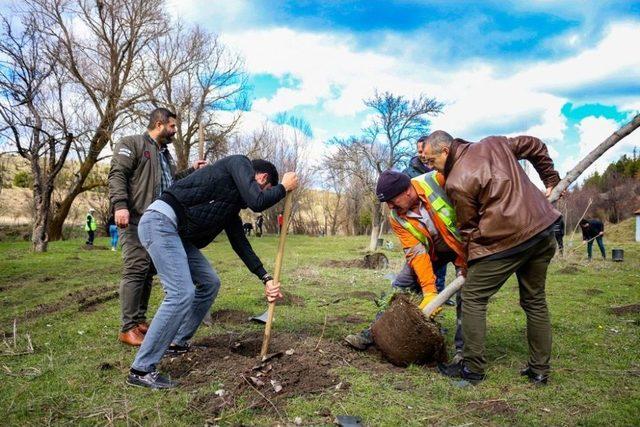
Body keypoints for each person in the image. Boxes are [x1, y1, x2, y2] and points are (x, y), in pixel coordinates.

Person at [126, 156, 298, 389]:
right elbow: (257, 201)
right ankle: (141, 369)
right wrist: (283, 188)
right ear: (262, 178)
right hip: (161, 222)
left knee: (209, 282)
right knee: (181, 293)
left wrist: (266, 278)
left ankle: (178, 342)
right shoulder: (239, 162)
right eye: (267, 188)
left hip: (176, 234)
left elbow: (241, 244)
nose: (263, 192)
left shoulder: (230, 205)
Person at [422, 130, 560, 385]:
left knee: (473, 297)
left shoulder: (456, 181)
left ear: (445, 151)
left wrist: (467, 263)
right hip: (543, 229)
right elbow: (535, 145)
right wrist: (551, 180)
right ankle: (539, 371)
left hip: (507, 240)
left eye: (431, 160)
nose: (430, 166)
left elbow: (469, 229)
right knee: (535, 301)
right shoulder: (495, 143)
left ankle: (472, 369)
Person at [109, 108, 206, 347]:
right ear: (160, 124)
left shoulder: (165, 155)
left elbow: (171, 183)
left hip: (158, 222)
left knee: (148, 269)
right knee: (136, 266)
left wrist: (192, 170)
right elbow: (117, 174)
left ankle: (139, 320)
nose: (175, 131)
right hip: (134, 217)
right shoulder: (132, 144)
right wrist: (120, 205)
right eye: (172, 127)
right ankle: (128, 327)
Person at [344, 170, 466, 360]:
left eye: (392, 200)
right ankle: (376, 331)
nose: (390, 206)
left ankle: (463, 351)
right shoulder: (396, 216)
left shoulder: (437, 180)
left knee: (467, 295)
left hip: (462, 245)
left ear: (408, 191)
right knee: (401, 285)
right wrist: (429, 291)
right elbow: (416, 253)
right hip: (431, 251)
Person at [400, 137, 452, 305]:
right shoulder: (409, 174)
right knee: (409, 278)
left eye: (425, 152)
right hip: (430, 242)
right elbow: (416, 252)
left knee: (466, 290)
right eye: (419, 152)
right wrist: (429, 291)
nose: (422, 155)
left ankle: (441, 294)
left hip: (454, 238)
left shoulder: (442, 173)